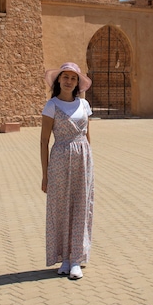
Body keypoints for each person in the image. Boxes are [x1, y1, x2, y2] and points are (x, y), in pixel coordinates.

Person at [40, 62, 94, 280]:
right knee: (60, 208)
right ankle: (63, 257)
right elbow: (44, 141)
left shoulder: (84, 105)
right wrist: (45, 175)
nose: (69, 81)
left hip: (83, 160)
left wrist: (90, 163)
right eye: (65, 77)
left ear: (78, 82)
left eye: (73, 78)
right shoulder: (51, 105)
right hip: (60, 159)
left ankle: (76, 259)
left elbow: (88, 136)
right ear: (58, 80)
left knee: (81, 207)